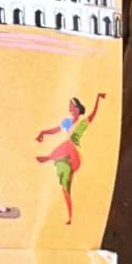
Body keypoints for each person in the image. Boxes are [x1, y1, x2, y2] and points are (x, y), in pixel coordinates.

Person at [35, 90, 105, 226]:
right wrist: (43, 132)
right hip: (66, 158)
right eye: (69, 105)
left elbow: (93, 114)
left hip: (76, 154)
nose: (69, 107)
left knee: (68, 143)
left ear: (77, 109)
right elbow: (55, 130)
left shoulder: (82, 122)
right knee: (65, 188)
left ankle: (48, 158)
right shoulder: (67, 122)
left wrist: (97, 98)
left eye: (71, 105)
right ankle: (70, 217)